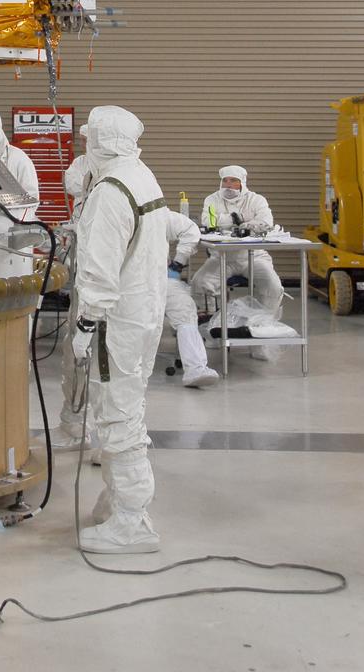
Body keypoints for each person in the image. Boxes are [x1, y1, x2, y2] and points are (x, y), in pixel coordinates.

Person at [72, 106, 168, 554]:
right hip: (142, 311)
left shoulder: (111, 191)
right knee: (126, 404)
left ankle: (132, 520)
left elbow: (100, 268)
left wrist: (86, 321)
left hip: (117, 320)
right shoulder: (140, 174)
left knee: (118, 415)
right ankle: (116, 498)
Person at [50, 125, 97, 450]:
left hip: (116, 285)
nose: (85, 144)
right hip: (86, 276)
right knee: (77, 350)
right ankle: (75, 425)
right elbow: (72, 185)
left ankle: (107, 439)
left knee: (109, 360)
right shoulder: (82, 165)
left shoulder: (131, 178)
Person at [189, 165, 282, 318]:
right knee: (200, 282)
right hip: (222, 257)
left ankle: (264, 321)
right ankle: (213, 319)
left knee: (273, 285)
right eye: (225, 181)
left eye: (233, 180)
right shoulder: (212, 199)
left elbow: (266, 222)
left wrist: (244, 224)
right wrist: (235, 218)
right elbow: (207, 222)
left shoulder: (256, 200)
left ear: (242, 183)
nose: (228, 185)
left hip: (254, 256)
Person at [164, 210, 220, 388]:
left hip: (161, 278)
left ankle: (196, 368)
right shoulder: (113, 213)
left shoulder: (157, 214)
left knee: (185, 308)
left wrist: (178, 262)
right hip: (128, 282)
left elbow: (190, 230)